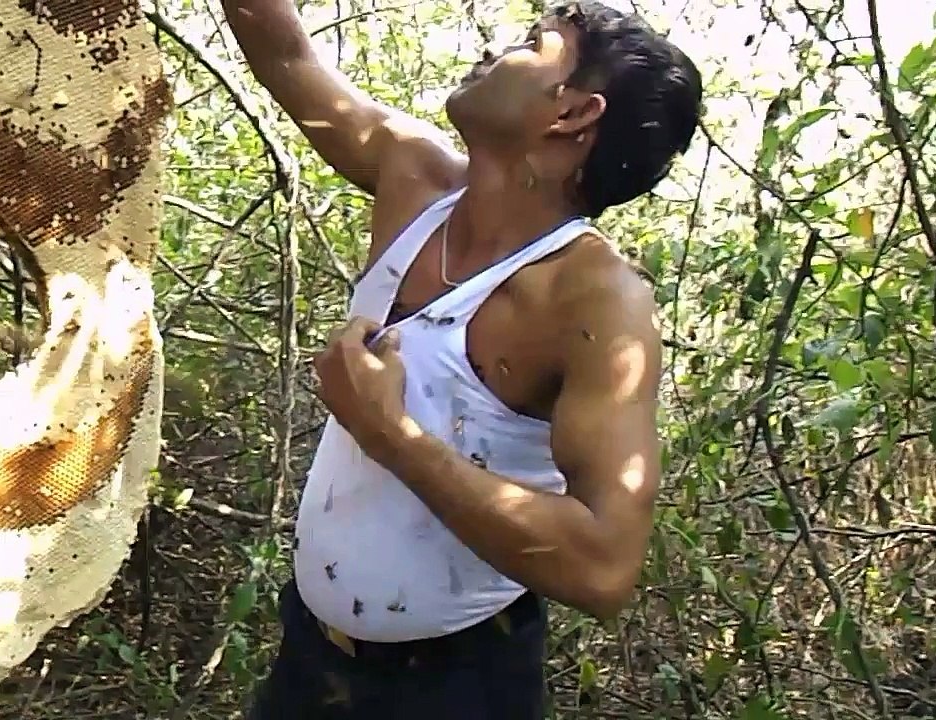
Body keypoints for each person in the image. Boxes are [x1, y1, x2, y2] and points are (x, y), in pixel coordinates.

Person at [220, 1, 702, 717]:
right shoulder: (413, 178)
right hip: (313, 656)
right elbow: (287, 55)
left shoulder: (595, 303)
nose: (495, 48)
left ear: (572, 113)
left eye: (534, 44)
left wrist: (393, 437)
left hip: (459, 685)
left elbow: (604, 568)